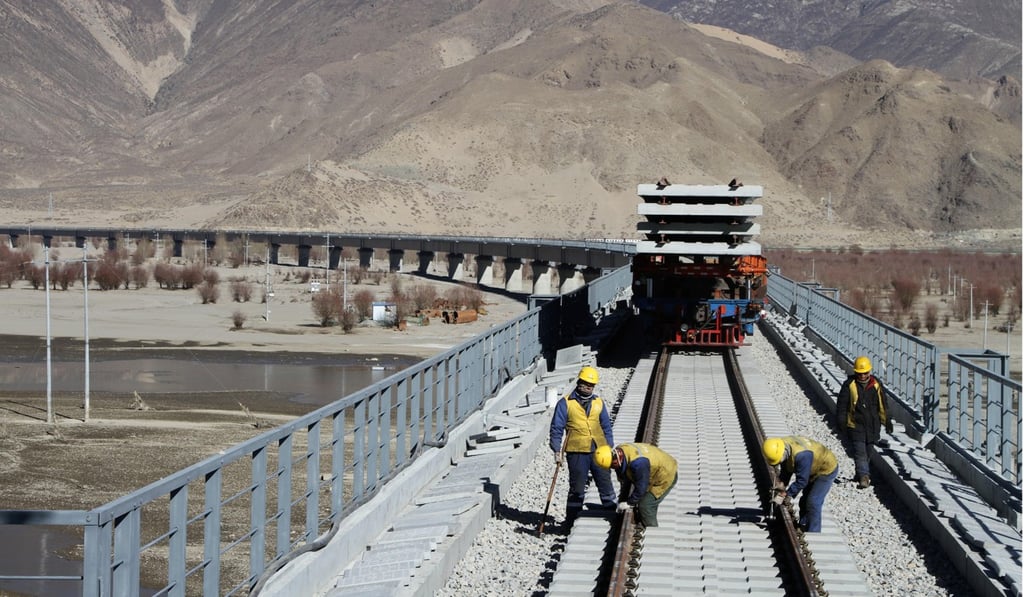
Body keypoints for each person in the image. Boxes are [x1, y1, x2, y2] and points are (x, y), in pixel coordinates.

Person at [549, 366, 618, 522]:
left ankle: (612, 514)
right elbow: (557, 428)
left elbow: (606, 426)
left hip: (599, 450)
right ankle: (572, 521)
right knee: (577, 488)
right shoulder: (565, 403)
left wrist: (609, 445)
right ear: (579, 382)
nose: (589, 387)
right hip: (576, 451)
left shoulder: (598, 403)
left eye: (592, 385)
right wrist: (556, 450)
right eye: (586, 383)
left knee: (604, 482)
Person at [836, 355, 893, 489]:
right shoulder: (849, 386)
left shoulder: (876, 385)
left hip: (873, 426)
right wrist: (841, 423)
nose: (862, 376)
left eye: (865, 373)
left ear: (869, 372)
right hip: (856, 425)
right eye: (860, 373)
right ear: (856, 372)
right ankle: (864, 477)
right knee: (859, 451)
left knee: (868, 451)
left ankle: (860, 472)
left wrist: (887, 421)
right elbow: (842, 406)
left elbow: (883, 405)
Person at [762, 436, 838, 533]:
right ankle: (803, 525)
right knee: (804, 500)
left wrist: (787, 494)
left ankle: (814, 533)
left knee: (813, 501)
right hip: (811, 466)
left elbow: (802, 481)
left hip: (826, 470)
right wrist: (781, 486)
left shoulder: (802, 456)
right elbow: (787, 470)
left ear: (783, 453)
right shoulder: (783, 446)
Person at [594, 442, 677, 528]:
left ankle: (652, 529)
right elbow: (624, 475)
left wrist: (629, 502)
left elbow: (642, 488)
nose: (612, 468)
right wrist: (622, 498)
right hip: (655, 465)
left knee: (646, 505)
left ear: (615, 462)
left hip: (666, 475)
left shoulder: (638, 464)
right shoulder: (620, 450)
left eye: (612, 466)